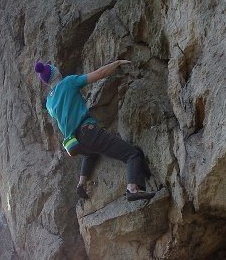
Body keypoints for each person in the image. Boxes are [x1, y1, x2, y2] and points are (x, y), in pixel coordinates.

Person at [35, 59, 155, 202]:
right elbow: (100, 73)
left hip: (76, 143)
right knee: (132, 154)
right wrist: (116, 63)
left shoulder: (49, 103)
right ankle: (133, 189)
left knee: (91, 154)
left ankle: (81, 183)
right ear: (56, 73)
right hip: (88, 131)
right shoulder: (68, 82)